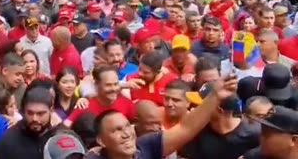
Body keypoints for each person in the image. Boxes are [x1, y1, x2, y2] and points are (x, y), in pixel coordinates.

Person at [84, 74, 239, 159]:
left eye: (126, 126)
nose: (126, 134)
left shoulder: (146, 147)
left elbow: (186, 128)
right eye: (117, 130)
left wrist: (215, 96)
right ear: (101, 140)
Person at [180, 83, 260, 159]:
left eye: (200, 105)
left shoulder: (255, 135)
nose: (193, 109)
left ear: (219, 109)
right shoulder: (197, 132)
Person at [0, 87, 59, 159]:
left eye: (40, 114)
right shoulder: (8, 141)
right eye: (30, 113)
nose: (34, 119)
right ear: (23, 111)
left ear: (51, 111)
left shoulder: (60, 138)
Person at [64, 66, 135, 127]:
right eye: (108, 85)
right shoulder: (85, 105)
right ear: (97, 84)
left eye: (116, 84)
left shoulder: (127, 103)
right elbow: (65, 126)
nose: (113, 89)